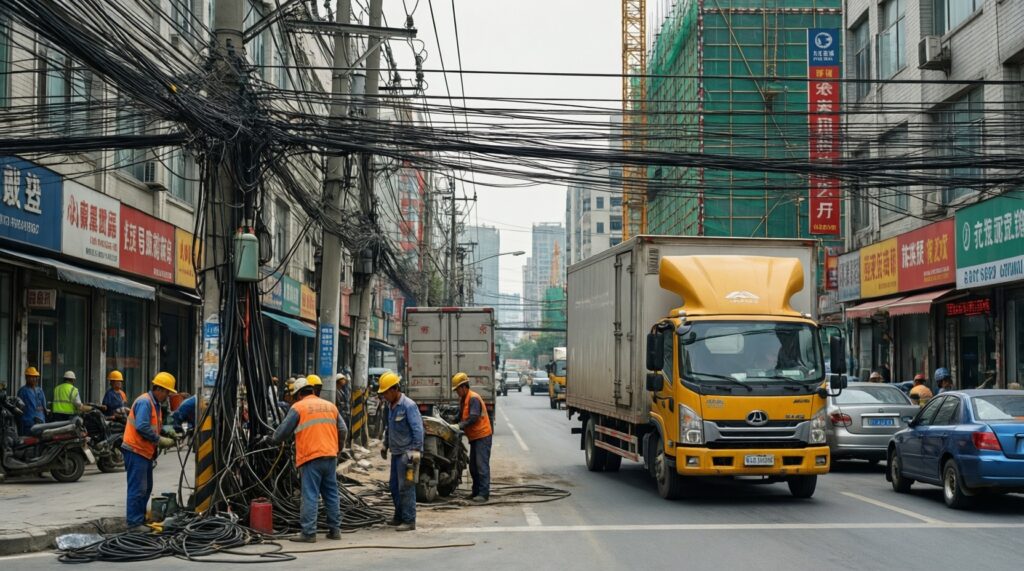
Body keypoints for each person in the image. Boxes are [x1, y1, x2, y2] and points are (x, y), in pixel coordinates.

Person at [267, 377, 347, 543]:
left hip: (311, 458)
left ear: (297, 395)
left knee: (310, 494)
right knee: (331, 493)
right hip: (330, 456)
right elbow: (343, 429)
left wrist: (271, 439)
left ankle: (309, 533)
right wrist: (337, 449)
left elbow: (282, 433)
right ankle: (335, 530)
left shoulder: (298, 407)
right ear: (312, 391)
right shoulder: (329, 406)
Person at [122, 372, 178, 533]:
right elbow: (142, 427)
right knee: (137, 488)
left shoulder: (155, 404)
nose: (168, 396)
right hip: (135, 450)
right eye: (167, 392)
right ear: (159, 389)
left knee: (146, 487)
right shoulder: (145, 402)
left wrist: (168, 432)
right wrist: (160, 440)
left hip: (144, 451)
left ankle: (139, 518)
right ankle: (133, 524)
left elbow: (155, 425)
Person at [378, 371, 423, 532]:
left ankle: (409, 520)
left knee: (407, 486)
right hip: (397, 454)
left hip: (409, 454)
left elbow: (418, 430)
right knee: (395, 486)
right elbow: (390, 428)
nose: (384, 396)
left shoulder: (408, 406)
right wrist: (385, 445)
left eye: (385, 393)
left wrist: (415, 452)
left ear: (394, 389)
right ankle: (399, 516)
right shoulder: (390, 406)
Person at [452, 372, 492, 503]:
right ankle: (476, 492)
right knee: (473, 467)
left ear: (463, 387)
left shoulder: (473, 398)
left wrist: (460, 426)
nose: (456, 392)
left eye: (457, 389)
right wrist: (450, 423)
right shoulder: (463, 399)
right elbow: (460, 416)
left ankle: (483, 493)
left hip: (482, 436)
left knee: (481, 466)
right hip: (474, 437)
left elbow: (473, 417)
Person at [16, 367, 46, 435]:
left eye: (35, 377)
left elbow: (43, 406)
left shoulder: (40, 390)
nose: (34, 379)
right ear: (26, 377)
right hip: (28, 424)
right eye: (32, 377)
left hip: (41, 423)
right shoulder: (23, 391)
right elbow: (19, 409)